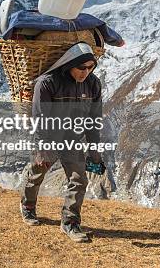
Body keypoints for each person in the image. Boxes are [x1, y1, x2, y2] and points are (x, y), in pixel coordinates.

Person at [19, 42, 106, 243]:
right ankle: (28, 206)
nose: (86, 72)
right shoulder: (48, 83)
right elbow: (40, 118)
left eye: (90, 67)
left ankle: (70, 222)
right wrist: (43, 149)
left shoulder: (93, 84)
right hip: (48, 137)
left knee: (79, 179)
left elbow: (94, 120)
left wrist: (94, 150)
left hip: (73, 139)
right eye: (81, 68)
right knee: (37, 173)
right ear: (69, 64)